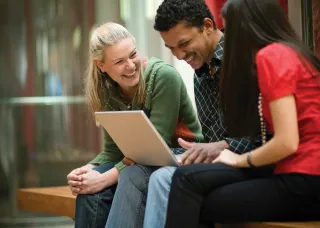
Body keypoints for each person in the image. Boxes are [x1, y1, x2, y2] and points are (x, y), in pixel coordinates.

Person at [152, 0, 320, 227]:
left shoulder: (271, 57)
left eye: (230, 29)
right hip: (299, 175)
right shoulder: (290, 53)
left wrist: (239, 158)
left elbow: (287, 142)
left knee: (192, 191)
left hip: (304, 178)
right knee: (192, 190)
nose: (227, 38)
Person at [105, 1, 271, 228]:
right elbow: (211, 138)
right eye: (171, 48)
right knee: (135, 173)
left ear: (208, 26)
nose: (180, 55)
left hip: (252, 163)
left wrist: (221, 146)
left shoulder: (246, 62)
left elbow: (265, 136)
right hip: (215, 162)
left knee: (163, 179)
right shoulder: (200, 72)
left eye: (184, 43)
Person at [66, 22, 204, 228]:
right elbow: (113, 151)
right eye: (120, 61)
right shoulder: (106, 90)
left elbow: (155, 149)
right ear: (101, 66)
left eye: (133, 55)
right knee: (89, 192)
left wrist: (104, 179)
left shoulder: (163, 77)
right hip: (138, 160)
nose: (130, 65)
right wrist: (86, 171)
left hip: (180, 155)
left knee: (126, 176)